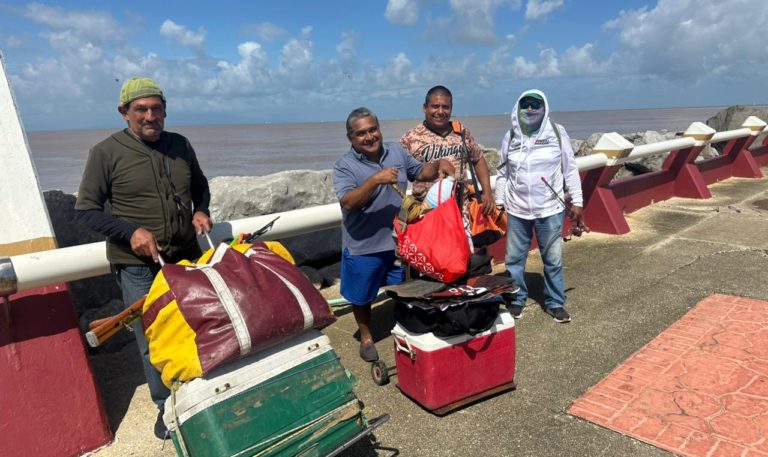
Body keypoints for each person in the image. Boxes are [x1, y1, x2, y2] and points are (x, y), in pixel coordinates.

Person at [75, 77, 212, 439]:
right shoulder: (105, 152)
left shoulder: (181, 144)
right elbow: (86, 210)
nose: (150, 116)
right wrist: (130, 232)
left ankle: (202, 394)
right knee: (152, 338)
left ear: (165, 110)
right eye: (141, 109)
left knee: (197, 323)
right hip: (139, 268)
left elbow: (200, 185)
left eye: (156, 108)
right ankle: (167, 410)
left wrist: (201, 210)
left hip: (186, 256)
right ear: (124, 112)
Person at [333, 107, 454, 362]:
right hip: (364, 245)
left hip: (399, 241)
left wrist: (438, 165)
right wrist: (374, 180)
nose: (369, 137)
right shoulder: (344, 166)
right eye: (361, 133)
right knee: (361, 296)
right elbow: (348, 202)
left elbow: (421, 172)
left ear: (379, 129)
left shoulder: (396, 152)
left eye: (373, 130)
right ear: (350, 138)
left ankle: (405, 323)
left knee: (405, 287)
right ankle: (366, 336)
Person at [494, 89, 585, 323]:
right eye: (525, 104)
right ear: (518, 107)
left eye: (535, 104)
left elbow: (570, 168)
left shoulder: (557, 132)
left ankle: (555, 302)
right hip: (517, 209)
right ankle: (517, 299)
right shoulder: (511, 136)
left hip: (549, 209)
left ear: (544, 107)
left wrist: (577, 201)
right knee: (514, 259)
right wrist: (499, 202)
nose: (530, 109)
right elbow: (503, 172)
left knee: (552, 259)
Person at [400, 85, 496, 221]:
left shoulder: (462, 132)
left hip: (460, 213)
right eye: (435, 106)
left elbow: (478, 159)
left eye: (445, 107)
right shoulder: (410, 138)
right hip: (426, 215)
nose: (440, 111)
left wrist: (487, 193)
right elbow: (398, 172)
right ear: (425, 108)